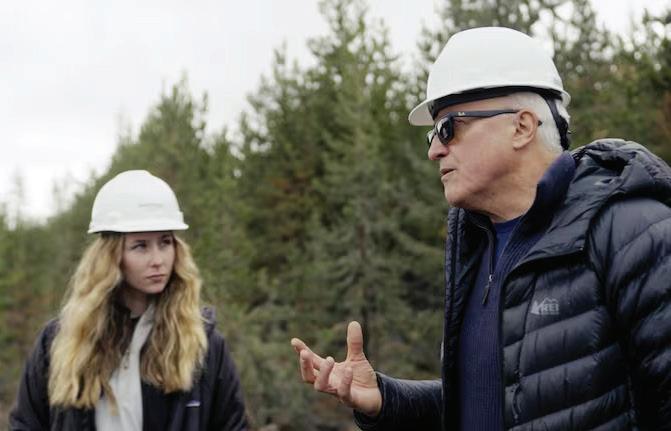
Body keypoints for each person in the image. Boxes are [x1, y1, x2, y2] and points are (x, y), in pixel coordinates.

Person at [291, 26, 671, 430]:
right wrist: (386, 400)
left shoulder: (633, 230)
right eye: (433, 134)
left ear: (522, 127)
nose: (434, 149)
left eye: (449, 127)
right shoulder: (474, 243)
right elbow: (494, 400)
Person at [10, 170, 248, 431]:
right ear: (111, 257)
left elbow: (232, 426)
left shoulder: (202, 343)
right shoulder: (60, 341)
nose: (158, 260)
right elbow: (26, 424)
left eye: (165, 242)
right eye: (141, 246)